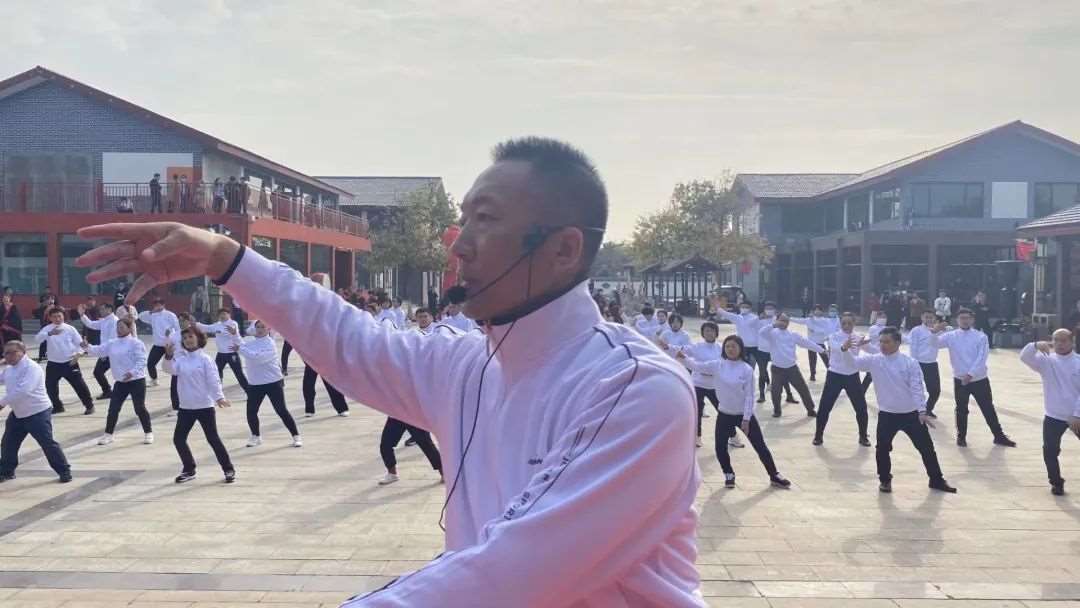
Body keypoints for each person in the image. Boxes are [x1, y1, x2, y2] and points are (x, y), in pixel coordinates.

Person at [77, 136, 706, 606]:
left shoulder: (632, 388)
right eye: (463, 219)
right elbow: (351, 340)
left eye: (486, 220)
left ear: (564, 248)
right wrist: (227, 259)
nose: (458, 244)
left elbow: (514, 571)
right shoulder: (468, 363)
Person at [839, 328, 957, 495]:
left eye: (887, 342)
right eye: (881, 342)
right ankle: (885, 480)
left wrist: (922, 411)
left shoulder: (910, 363)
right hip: (887, 415)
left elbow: (917, 388)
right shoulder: (874, 360)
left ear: (897, 343)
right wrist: (844, 350)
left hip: (911, 414)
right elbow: (852, 364)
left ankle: (936, 479)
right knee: (882, 449)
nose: (883, 345)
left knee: (926, 448)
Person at [680, 336, 790, 489]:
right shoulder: (717, 365)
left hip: (743, 415)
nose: (730, 349)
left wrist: (746, 418)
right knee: (720, 448)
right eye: (727, 346)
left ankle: (774, 475)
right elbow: (696, 366)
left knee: (760, 446)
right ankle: (728, 474)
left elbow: (750, 396)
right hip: (724, 414)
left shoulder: (746, 369)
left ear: (740, 349)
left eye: (734, 346)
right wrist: (680, 356)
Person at [163, 326, 235, 484]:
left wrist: (219, 397)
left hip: (204, 406)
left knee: (213, 439)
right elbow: (169, 370)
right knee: (178, 439)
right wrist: (168, 356)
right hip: (186, 407)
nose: (188, 340)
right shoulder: (180, 360)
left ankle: (228, 469)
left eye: (191, 337)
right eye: (185, 338)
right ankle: (189, 469)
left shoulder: (205, 359)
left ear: (199, 338)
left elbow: (213, 380)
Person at [934, 308, 1015, 448]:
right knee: (961, 409)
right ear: (957, 320)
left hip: (979, 379)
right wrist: (935, 331)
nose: (965, 321)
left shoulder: (980, 337)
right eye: (962, 318)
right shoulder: (951, 336)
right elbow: (934, 344)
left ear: (972, 320)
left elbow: (982, 357)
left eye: (967, 318)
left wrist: (971, 374)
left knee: (987, 408)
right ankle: (961, 437)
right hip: (960, 379)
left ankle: (999, 436)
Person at [0, 340, 72, 483]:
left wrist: (2, 403)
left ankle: (64, 471)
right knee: (8, 444)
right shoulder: (9, 369)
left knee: (47, 443)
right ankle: (6, 471)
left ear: (23, 352)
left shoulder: (32, 368)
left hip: (37, 412)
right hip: (18, 413)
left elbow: (23, 390)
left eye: (12, 353)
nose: (8, 356)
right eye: (6, 353)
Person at [1020, 330, 1080, 496]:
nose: (1060, 344)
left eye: (1064, 340)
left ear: (1072, 342)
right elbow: (1024, 357)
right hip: (1053, 415)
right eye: (1056, 340)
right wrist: (1035, 345)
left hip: (1076, 416)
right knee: (1050, 451)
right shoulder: (1046, 360)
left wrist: (1077, 414)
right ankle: (1056, 482)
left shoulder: (1078, 362)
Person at [229, 320, 302, 448]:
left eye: (263, 327)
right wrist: (235, 335)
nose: (260, 329)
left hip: (273, 382)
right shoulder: (251, 343)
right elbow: (241, 345)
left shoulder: (270, 343)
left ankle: (296, 436)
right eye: (258, 327)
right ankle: (256, 436)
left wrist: (240, 349)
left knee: (281, 410)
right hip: (255, 383)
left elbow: (258, 358)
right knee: (251, 411)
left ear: (268, 329)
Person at [82, 317, 152, 446]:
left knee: (139, 408)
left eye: (122, 327)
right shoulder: (112, 343)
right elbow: (98, 350)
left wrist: (132, 372)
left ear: (129, 328)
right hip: (120, 382)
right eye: (118, 327)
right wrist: (87, 347)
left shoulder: (136, 343)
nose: (119, 330)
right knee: (113, 409)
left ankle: (148, 432)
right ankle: (108, 434)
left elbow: (142, 360)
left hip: (136, 380)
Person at [814, 312, 871, 447]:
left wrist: (871, 344)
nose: (846, 326)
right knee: (825, 407)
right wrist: (843, 347)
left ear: (854, 323)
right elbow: (835, 348)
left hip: (852, 376)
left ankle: (863, 436)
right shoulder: (833, 336)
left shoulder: (858, 337)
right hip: (835, 375)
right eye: (843, 323)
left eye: (849, 323)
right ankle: (818, 435)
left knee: (861, 408)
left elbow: (870, 349)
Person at [759, 313, 822, 418]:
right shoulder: (772, 334)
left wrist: (822, 350)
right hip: (777, 369)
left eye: (786, 321)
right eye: (782, 320)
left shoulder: (793, 335)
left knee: (803, 389)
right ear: (777, 320)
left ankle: (810, 409)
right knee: (776, 391)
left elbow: (807, 343)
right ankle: (777, 411)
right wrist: (773, 325)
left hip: (792, 368)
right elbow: (761, 332)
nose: (784, 323)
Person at [35, 307, 95, 415]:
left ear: (63, 316)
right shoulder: (47, 329)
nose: (57, 319)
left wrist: (78, 355)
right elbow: (37, 339)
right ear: (50, 318)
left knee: (79, 386)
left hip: (70, 362)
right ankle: (58, 406)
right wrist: (49, 334)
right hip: (53, 363)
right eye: (54, 317)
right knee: (50, 387)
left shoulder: (70, 329)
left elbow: (80, 344)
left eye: (59, 316)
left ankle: (89, 406)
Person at [907, 310, 949, 418]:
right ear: (922, 317)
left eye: (931, 317)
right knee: (916, 390)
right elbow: (913, 347)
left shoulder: (938, 330)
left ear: (934, 318)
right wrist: (913, 363)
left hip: (931, 363)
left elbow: (948, 332)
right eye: (926, 317)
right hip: (919, 363)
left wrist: (941, 328)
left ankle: (928, 409)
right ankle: (913, 411)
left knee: (935, 390)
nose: (929, 319)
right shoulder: (916, 330)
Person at [754, 304, 798, 406]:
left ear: (775, 310)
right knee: (762, 373)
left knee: (783, 373)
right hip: (762, 350)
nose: (769, 310)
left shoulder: (778, 319)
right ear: (764, 310)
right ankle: (762, 395)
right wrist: (758, 318)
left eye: (771, 308)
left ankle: (789, 395)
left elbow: (784, 326)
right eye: (767, 308)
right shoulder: (759, 320)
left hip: (775, 350)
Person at [196, 308, 249, 390]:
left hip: (231, 353)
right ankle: (218, 391)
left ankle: (249, 392)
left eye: (224, 314)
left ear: (229, 315)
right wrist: (196, 324)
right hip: (221, 354)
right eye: (220, 314)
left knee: (239, 374)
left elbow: (226, 332)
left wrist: (218, 330)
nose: (222, 316)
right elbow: (207, 328)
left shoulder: (232, 323)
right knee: (216, 373)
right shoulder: (218, 324)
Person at [78, 302, 118, 400]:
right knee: (98, 372)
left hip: (110, 352)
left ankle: (108, 391)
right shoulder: (104, 320)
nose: (100, 311)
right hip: (105, 351)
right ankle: (108, 391)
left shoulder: (114, 321)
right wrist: (82, 315)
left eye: (102, 309)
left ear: (109, 310)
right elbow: (91, 324)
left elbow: (112, 340)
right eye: (100, 309)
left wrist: (103, 353)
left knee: (99, 372)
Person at [139, 298, 181, 388]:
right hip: (158, 345)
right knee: (150, 363)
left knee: (176, 363)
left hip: (170, 344)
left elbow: (177, 328)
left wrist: (175, 339)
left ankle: (179, 380)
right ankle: (154, 380)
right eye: (155, 304)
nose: (157, 306)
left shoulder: (170, 315)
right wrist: (151, 312)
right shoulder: (152, 315)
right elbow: (140, 316)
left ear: (163, 305)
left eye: (159, 304)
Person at [790, 305, 838, 382]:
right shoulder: (809, 320)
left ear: (822, 312)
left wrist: (815, 330)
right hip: (811, 343)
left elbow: (826, 330)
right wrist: (789, 318)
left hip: (820, 342)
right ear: (813, 311)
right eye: (816, 310)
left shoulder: (825, 320)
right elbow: (799, 320)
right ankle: (812, 375)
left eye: (819, 310)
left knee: (826, 359)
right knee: (812, 360)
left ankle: (831, 373)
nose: (817, 311)